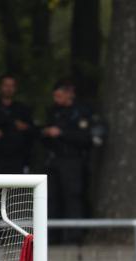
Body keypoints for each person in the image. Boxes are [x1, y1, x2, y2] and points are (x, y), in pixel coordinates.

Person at [42, 80, 92, 244]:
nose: (56, 99)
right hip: (54, 160)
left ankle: (73, 236)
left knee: (72, 197)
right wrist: (47, 133)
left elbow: (85, 138)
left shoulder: (81, 112)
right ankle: (52, 236)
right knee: (51, 197)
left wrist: (62, 133)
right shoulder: (53, 112)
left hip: (72, 161)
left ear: (69, 93)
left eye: (59, 95)